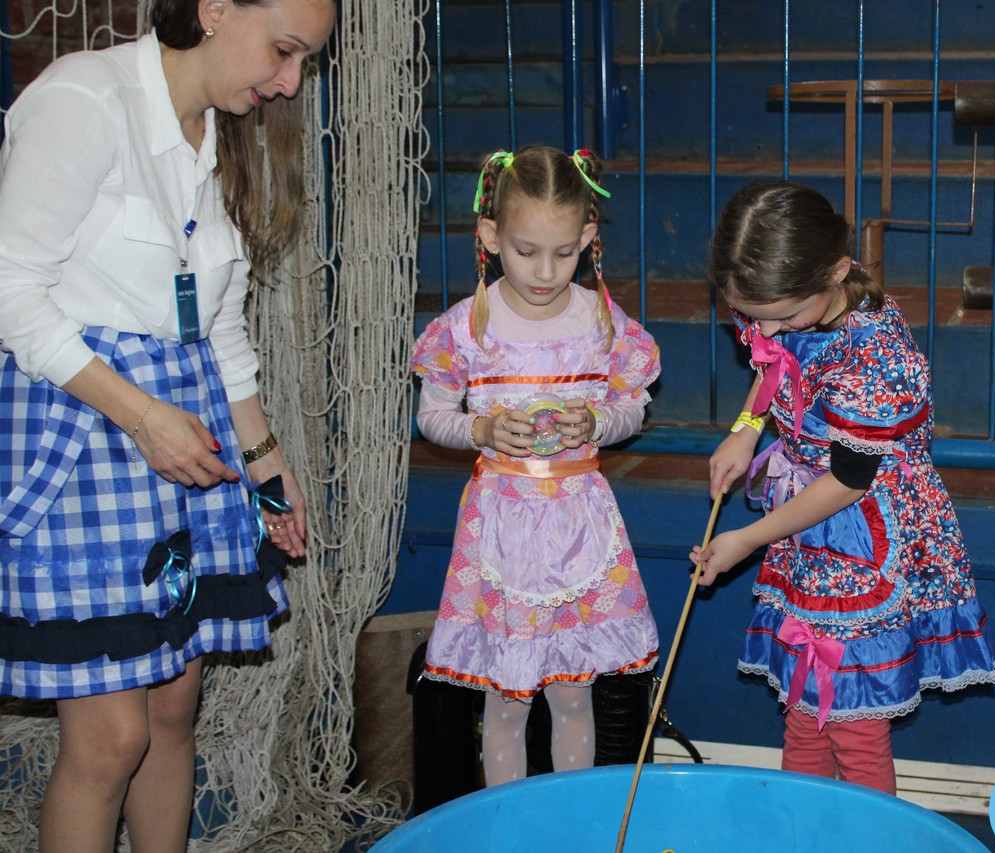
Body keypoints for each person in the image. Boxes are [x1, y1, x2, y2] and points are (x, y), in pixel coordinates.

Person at [0, 0, 334, 849]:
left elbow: (218, 325)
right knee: (111, 736)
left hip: (185, 434)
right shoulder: (85, 99)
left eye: (305, 61)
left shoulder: (216, 134)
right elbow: (10, 292)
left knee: (174, 704)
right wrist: (143, 416)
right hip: (86, 435)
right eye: (284, 50)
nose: (290, 82)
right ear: (215, 10)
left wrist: (264, 458)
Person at [689, 181, 995, 794]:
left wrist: (747, 539)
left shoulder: (875, 355)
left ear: (836, 271)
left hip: (864, 539)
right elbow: (776, 361)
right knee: (806, 713)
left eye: (781, 316)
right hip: (810, 532)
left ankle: (870, 832)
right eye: (751, 315)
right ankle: (799, 830)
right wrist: (746, 429)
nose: (764, 329)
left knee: (855, 727)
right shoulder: (779, 305)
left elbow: (849, 480)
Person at [412, 145, 661, 786]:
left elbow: (632, 408)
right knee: (506, 700)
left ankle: (568, 823)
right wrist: (482, 429)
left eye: (565, 252)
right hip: (501, 529)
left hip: (581, 527)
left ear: (588, 239)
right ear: (490, 236)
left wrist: (599, 422)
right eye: (526, 252)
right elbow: (432, 417)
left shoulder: (602, 323)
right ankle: (511, 826)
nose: (546, 272)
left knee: (574, 695)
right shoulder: (465, 329)